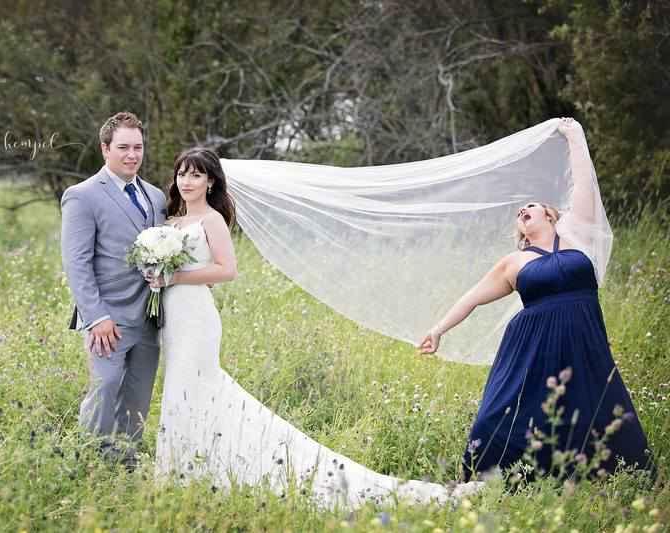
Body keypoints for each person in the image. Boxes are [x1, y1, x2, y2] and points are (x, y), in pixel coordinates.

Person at [145, 147, 481, 509]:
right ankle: (187, 467)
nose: (187, 181)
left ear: (210, 182)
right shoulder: (171, 222)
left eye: (196, 174)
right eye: (182, 173)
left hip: (197, 317)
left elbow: (227, 270)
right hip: (173, 316)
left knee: (197, 386)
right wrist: (155, 273)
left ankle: (197, 468)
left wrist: (175, 277)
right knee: (180, 389)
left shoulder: (211, 221)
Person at [419, 118, 652, 481]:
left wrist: (574, 135)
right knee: (500, 415)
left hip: (583, 338)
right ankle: (491, 478)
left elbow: (584, 182)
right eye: (518, 214)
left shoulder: (576, 233)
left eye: (529, 206)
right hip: (532, 346)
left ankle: (604, 476)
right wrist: (438, 329)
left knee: (593, 405)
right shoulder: (514, 262)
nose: (522, 212)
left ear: (550, 214)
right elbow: (471, 298)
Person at [61, 112, 167, 453]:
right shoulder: (82, 196)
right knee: (105, 386)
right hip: (109, 318)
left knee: (138, 393)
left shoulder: (156, 196)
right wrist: (96, 317)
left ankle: (125, 458)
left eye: (138, 147)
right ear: (105, 149)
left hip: (149, 315)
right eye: (123, 147)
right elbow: (76, 263)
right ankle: (90, 457)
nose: (132, 155)